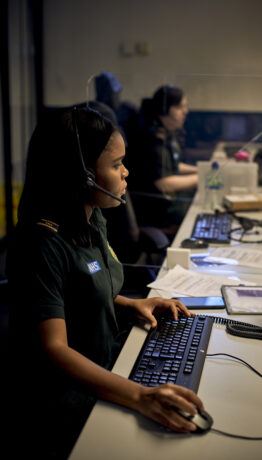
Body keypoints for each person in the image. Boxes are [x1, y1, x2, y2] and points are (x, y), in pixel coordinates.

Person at [5, 106, 204, 458]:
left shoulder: (91, 217)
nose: (126, 172)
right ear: (82, 176)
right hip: (62, 397)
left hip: (105, 366)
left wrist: (130, 304)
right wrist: (140, 396)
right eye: (116, 165)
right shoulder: (42, 244)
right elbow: (54, 349)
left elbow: (79, 291)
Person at [129, 85, 198, 234]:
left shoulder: (166, 130)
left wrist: (201, 170)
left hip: (166, 198)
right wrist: (203, 177)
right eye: (180, 107)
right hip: (156, 206)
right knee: (198, 211)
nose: (185, 111)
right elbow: (163, 183)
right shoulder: (152, 137)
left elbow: (173, 165)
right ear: (164, 109)